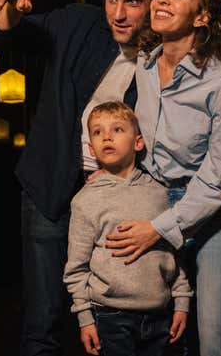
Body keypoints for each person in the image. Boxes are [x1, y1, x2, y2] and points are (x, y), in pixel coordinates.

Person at [0, 0, 163, 356]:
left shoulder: (163, 56)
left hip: (118, 198)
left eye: (132, 2)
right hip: (52, 186)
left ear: (154, 3)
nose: (118, 13)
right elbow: (11, 36)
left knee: (115, 323)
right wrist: (9, 10)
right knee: (43, 319)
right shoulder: (79, 23)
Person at [103, 0, 221, 356]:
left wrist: (158, 228)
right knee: (163, 335)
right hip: (160, 204)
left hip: (220, 219)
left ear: (202, 16)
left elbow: (218, 184)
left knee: (216, 341)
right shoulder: (145, 66)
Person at [63, 100, 192, 356]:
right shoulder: (85, 200)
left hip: (160, 312)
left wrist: (182, 301)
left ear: (138, 143)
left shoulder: (160, 194)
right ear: (91, 148)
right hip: (111, 316)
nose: (106, 137)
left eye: (118, 129)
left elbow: (175, 252)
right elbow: (76, 268)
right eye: (98, 132)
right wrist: (85, 318)